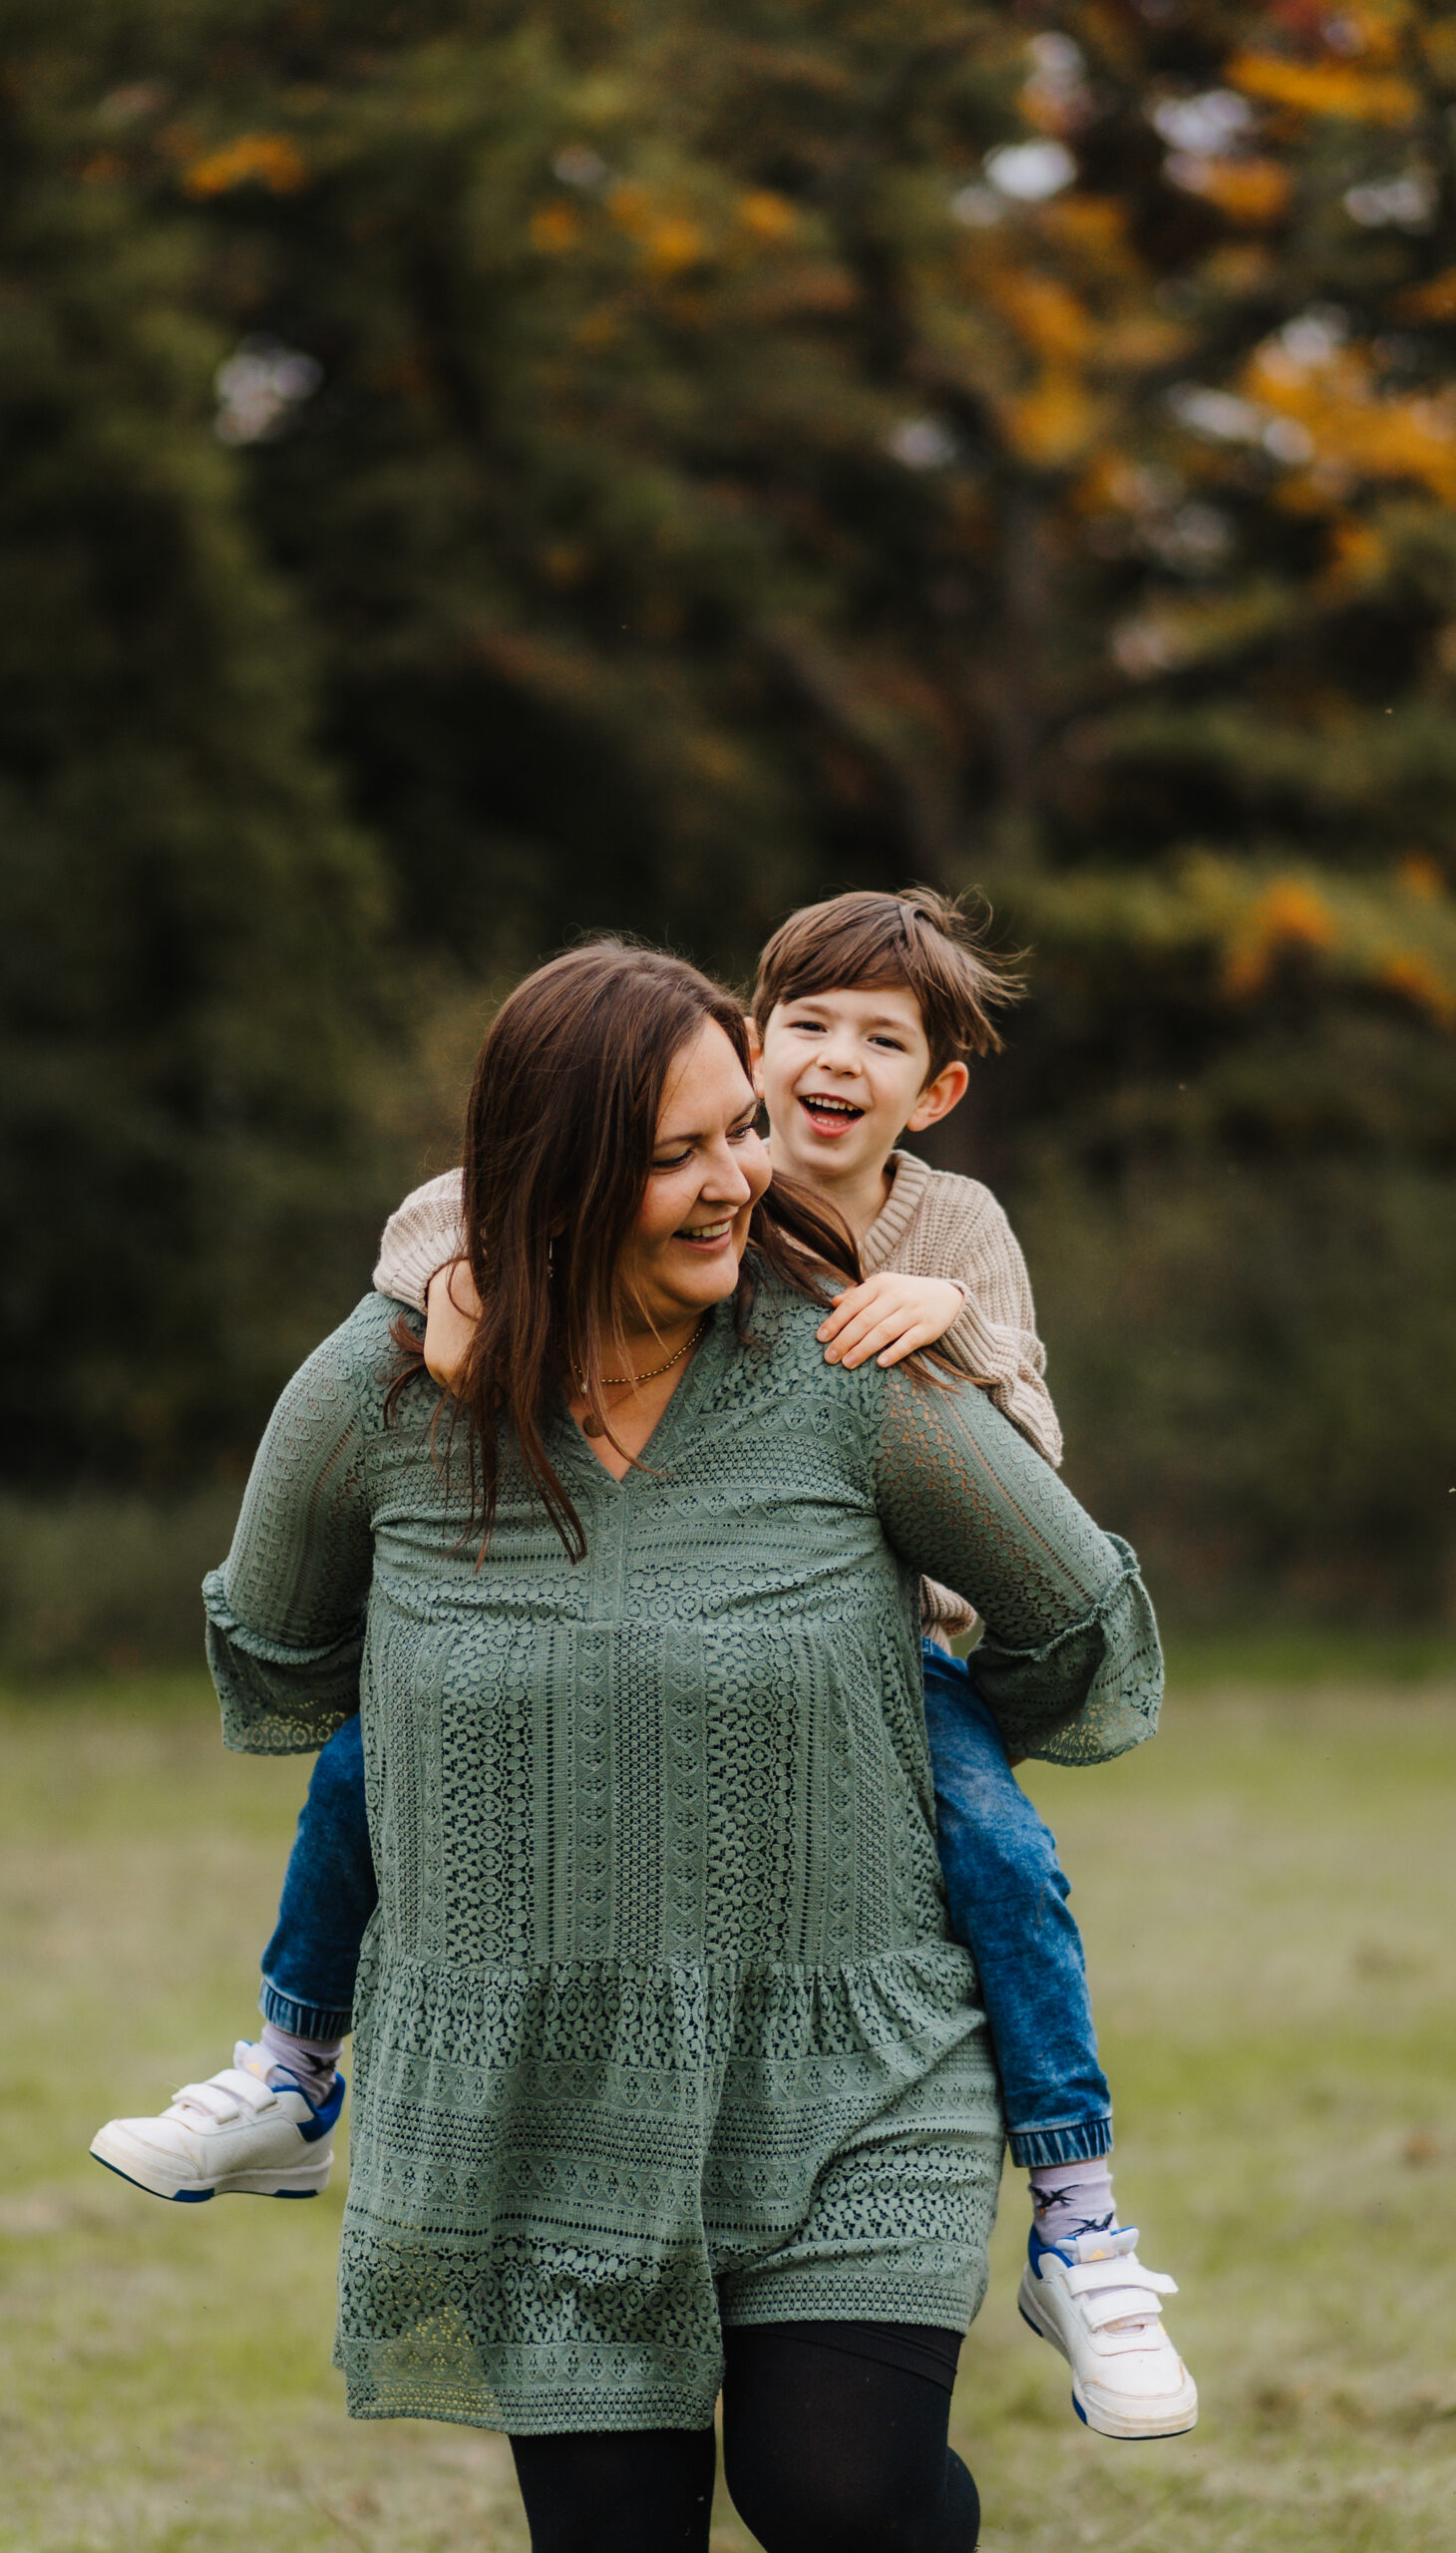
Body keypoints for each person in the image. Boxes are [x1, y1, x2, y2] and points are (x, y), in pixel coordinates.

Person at [90, 940, 1170, 2545]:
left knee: (843, 2497)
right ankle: (286, 2078)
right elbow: (273, 1642)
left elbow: (1086, 1623)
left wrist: (890, 1734)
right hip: (539, 2097)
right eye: (678, 1154)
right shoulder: (392, 1386)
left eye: (737, 1131)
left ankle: (1082, 2229)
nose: (739, 1177)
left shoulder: (846, 1363)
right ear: (545, 1181)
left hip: (851, 2080)